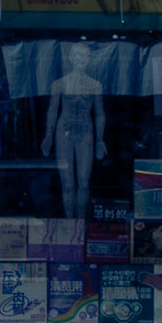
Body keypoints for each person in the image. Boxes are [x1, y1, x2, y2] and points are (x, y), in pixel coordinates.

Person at [42, 42, 107, 218]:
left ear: (89, 59)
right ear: (71, 58)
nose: (81, 59)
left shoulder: (95, 85)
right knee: (68, 184)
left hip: (85, 131)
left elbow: (99, 113)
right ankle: (71, 223)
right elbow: (52, 110)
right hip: (64, 131)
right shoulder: (59, 84)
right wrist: (48, 135)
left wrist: (100, 139)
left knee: (84, 182)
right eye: (78, 55)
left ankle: (81, 221)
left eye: (85, 56)